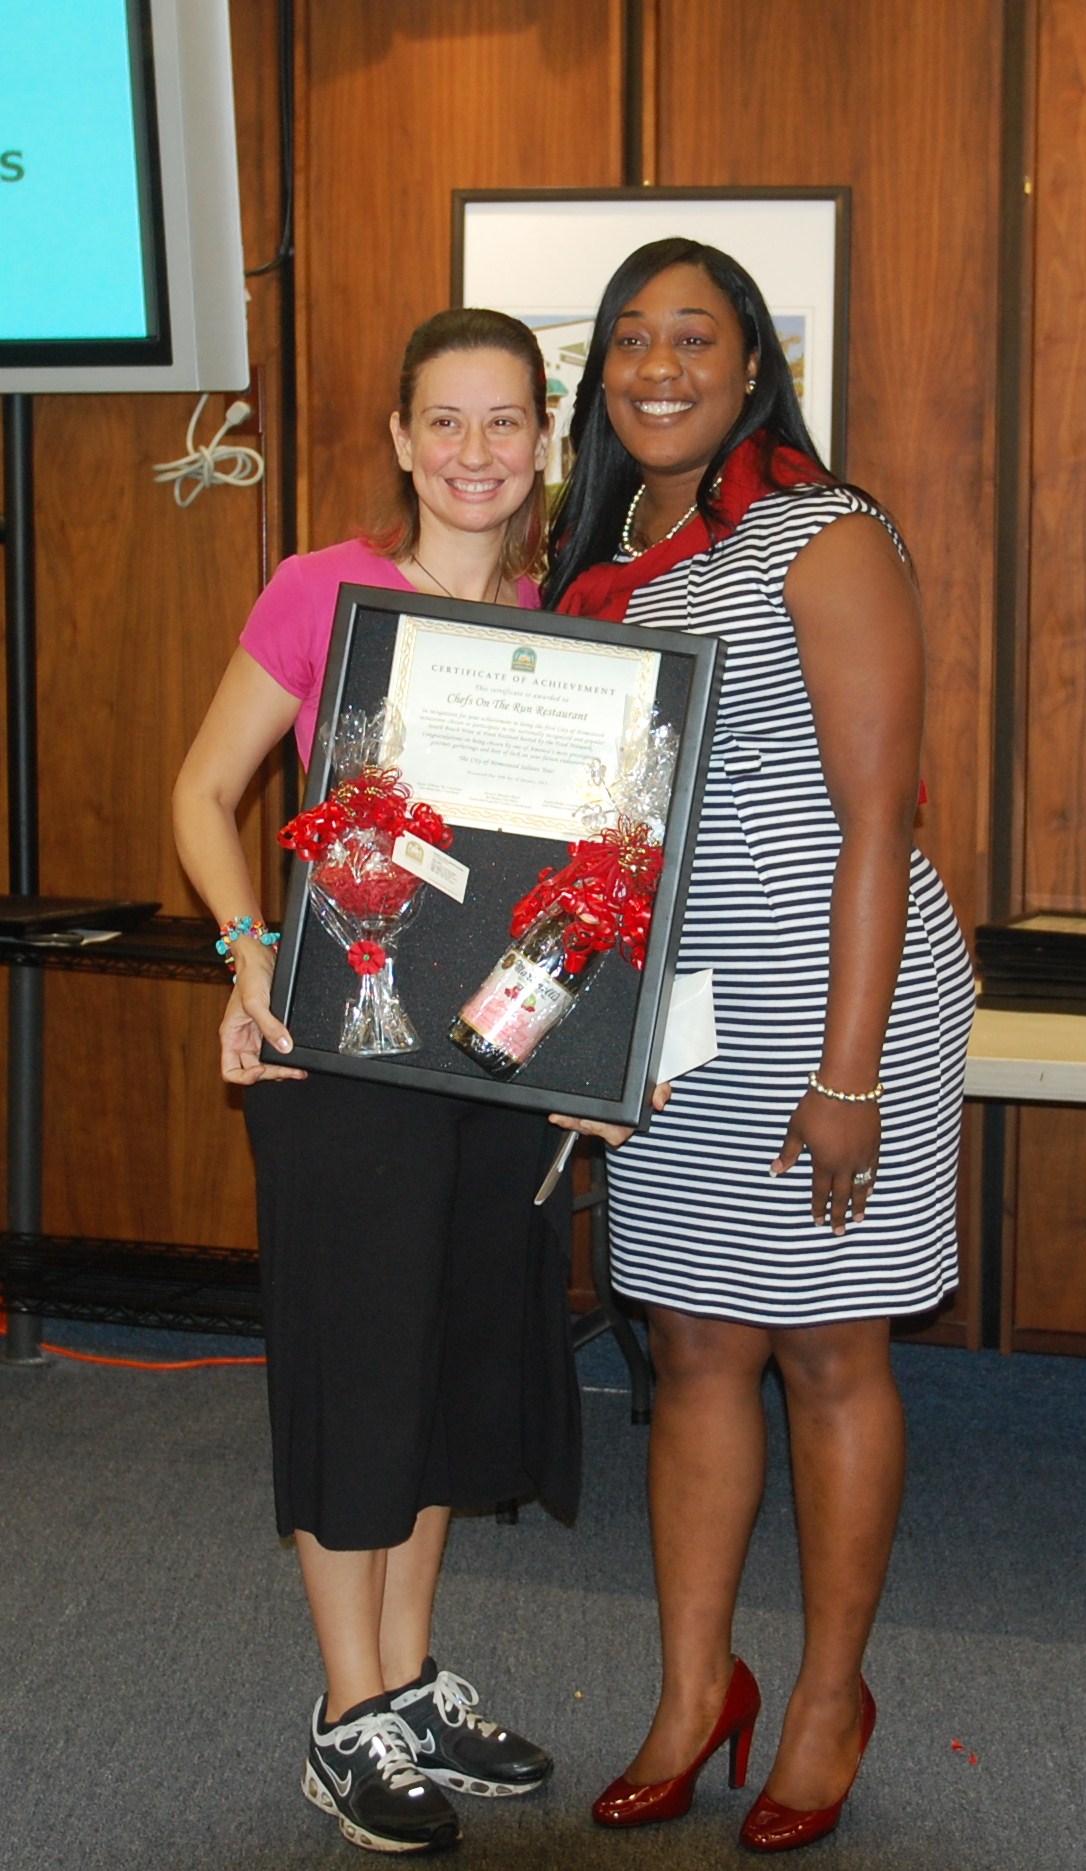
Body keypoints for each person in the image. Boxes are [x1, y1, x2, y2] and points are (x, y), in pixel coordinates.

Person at [543, 239, 973, 1854]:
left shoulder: (823, 534)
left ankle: (826, 1697)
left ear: (751, 366)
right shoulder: (597, 559)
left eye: (694, 338)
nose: (659, 366)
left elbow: (879, 824)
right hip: (677, 1025)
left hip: (835, 1006)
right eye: (630, 339)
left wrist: (850, 1073)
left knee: (829, 1350)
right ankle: (688, 1686)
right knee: (695, 1348)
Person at [173, 309, 580, 1858]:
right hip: (342, 1060)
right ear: (403, 443)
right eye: (445, 423)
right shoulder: (323, 592)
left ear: (540, 444)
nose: (475, 452)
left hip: (496, 1067)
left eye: (504, 423)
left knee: (449, 1367)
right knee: (357, 1369)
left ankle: (408, 1678)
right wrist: (245, 952)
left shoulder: (563, 626)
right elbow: (205, 794)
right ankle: (346, 1716)